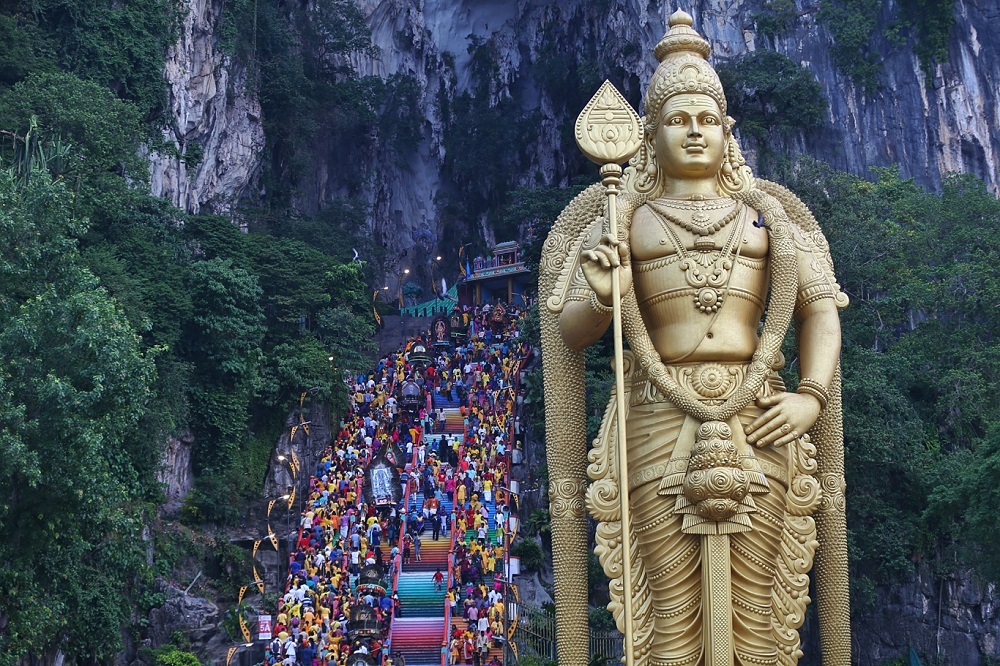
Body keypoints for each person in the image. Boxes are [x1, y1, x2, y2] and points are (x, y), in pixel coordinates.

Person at [539, 10, 849, 666]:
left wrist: (812, 396)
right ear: (650, 135)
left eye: (708, 119)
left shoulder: (770, 217)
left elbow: (819, 309)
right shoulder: (623, 216)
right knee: (671, 627)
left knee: (763, 619)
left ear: (728, 132)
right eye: (679, 120)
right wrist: (601, 292)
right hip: (656, 418)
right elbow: (570, 331)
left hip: (760, 416)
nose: (696, 132)